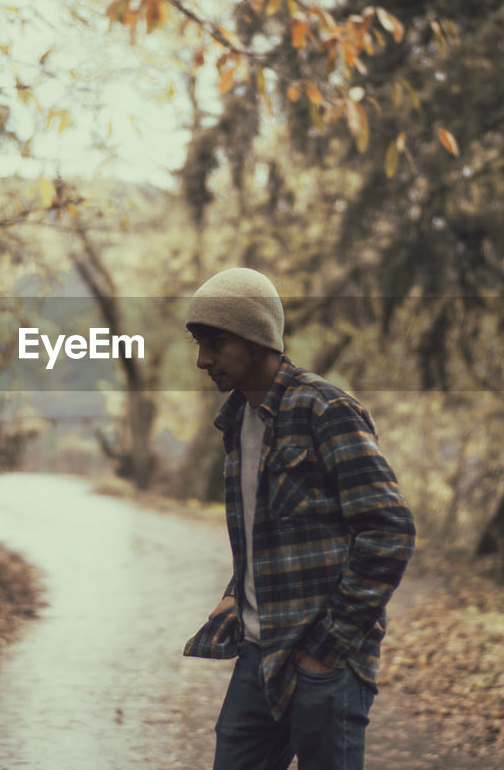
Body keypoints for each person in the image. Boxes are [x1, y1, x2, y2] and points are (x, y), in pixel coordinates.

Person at [181, 267, 416, 770]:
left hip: (325, 664)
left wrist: (327, 648)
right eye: (199, 343)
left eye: (215, 343)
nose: (202, 360)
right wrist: (235, 588)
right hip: (257, 655)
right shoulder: (236, 421)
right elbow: (272, 527)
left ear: (256, 336)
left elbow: (388, 530)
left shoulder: (324, 410)